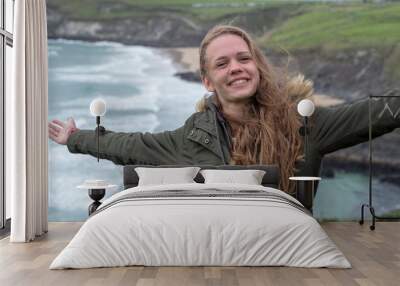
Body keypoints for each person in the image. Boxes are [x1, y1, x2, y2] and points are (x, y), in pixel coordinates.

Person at [49, 25, 400, 195]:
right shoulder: (191, 137)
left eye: (243, 58)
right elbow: (131, 146)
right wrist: (75, 138)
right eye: (222, 63)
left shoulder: (305, 123)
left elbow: (376, 113)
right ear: (207, 81)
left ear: (256, 66)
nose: (236, 67)